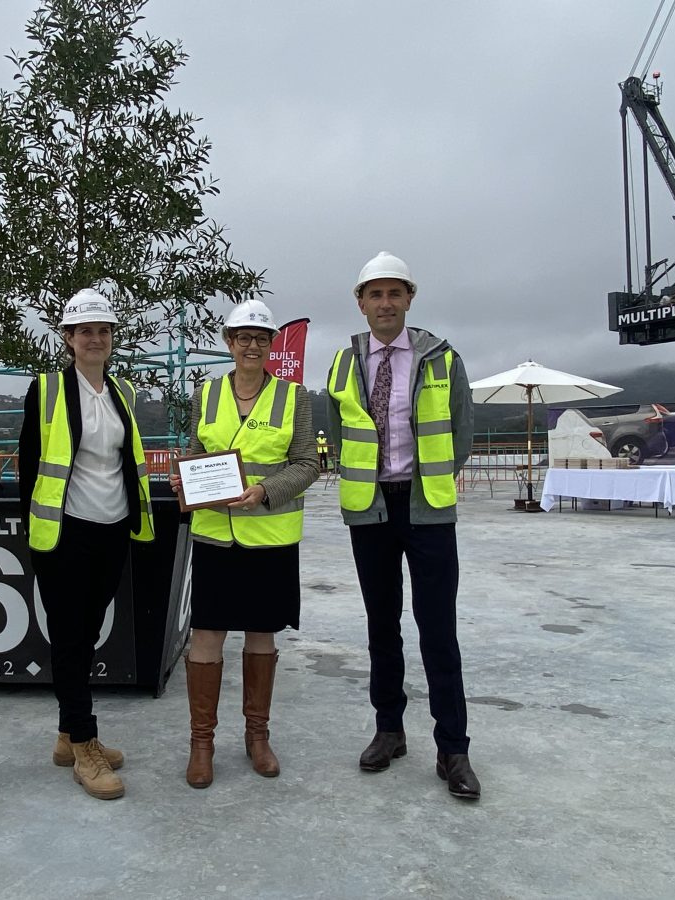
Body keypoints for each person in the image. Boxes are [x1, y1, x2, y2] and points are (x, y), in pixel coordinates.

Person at [326, 251, 481, 800]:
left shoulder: (441, 358)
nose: (385, 303)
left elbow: (461, 433)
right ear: (361, 303)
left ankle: (453, 748)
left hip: (426, 508)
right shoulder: (344, 362)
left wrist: (426, 479)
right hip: (370, 510)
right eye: (376, 294)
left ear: (409, 298)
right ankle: (388, 729)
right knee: (380, 625)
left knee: (438, 628)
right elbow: (338, 434)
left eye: (395, 293)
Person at [169, 299, 318, 788]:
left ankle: (258, 737)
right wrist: (184, 481)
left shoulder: (293, 398)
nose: (251, 346)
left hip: (269, 537)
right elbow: (195, 454)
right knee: (207, 635)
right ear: (228, 342)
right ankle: (201, 743)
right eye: (242, 338)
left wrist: (265, 492)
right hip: (215, 537)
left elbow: (307, 464)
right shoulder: (205, 395)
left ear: (271, 345)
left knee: (261, 634)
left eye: (261, 338)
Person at [17, 289, 154, 801]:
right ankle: (84, 742)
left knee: (89, 630)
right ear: (69, 339)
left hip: (113, 526)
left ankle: (66, 734)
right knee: (71, 636)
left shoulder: (122, 391)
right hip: (65, 530)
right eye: (85, 331)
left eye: (103, 330)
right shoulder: (48, 389)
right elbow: (30, 465)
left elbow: (123, 459)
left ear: (111, 338)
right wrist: (41, 530)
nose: (95, 338)